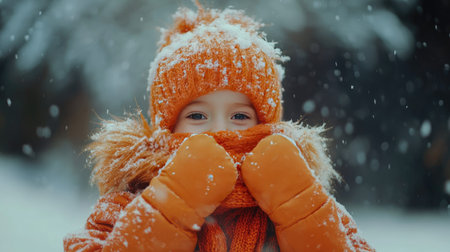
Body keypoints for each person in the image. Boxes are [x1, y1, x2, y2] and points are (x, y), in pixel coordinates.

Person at [64, 3, 374, 251]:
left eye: (240, 117)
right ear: (168, 128)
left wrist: (298, 206)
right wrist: (170, 203)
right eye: (197, 116)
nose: (220, 131)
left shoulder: (306, 198)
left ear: (266, 125)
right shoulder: (129, 204)